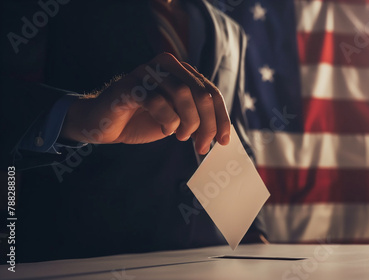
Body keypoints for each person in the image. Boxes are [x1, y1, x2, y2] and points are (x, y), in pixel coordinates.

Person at [0, 0, 265, 262]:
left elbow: (231, 132)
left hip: (207, 255)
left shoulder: (230, 29)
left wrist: (253, 231)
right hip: (82, 252)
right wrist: (78, 116)